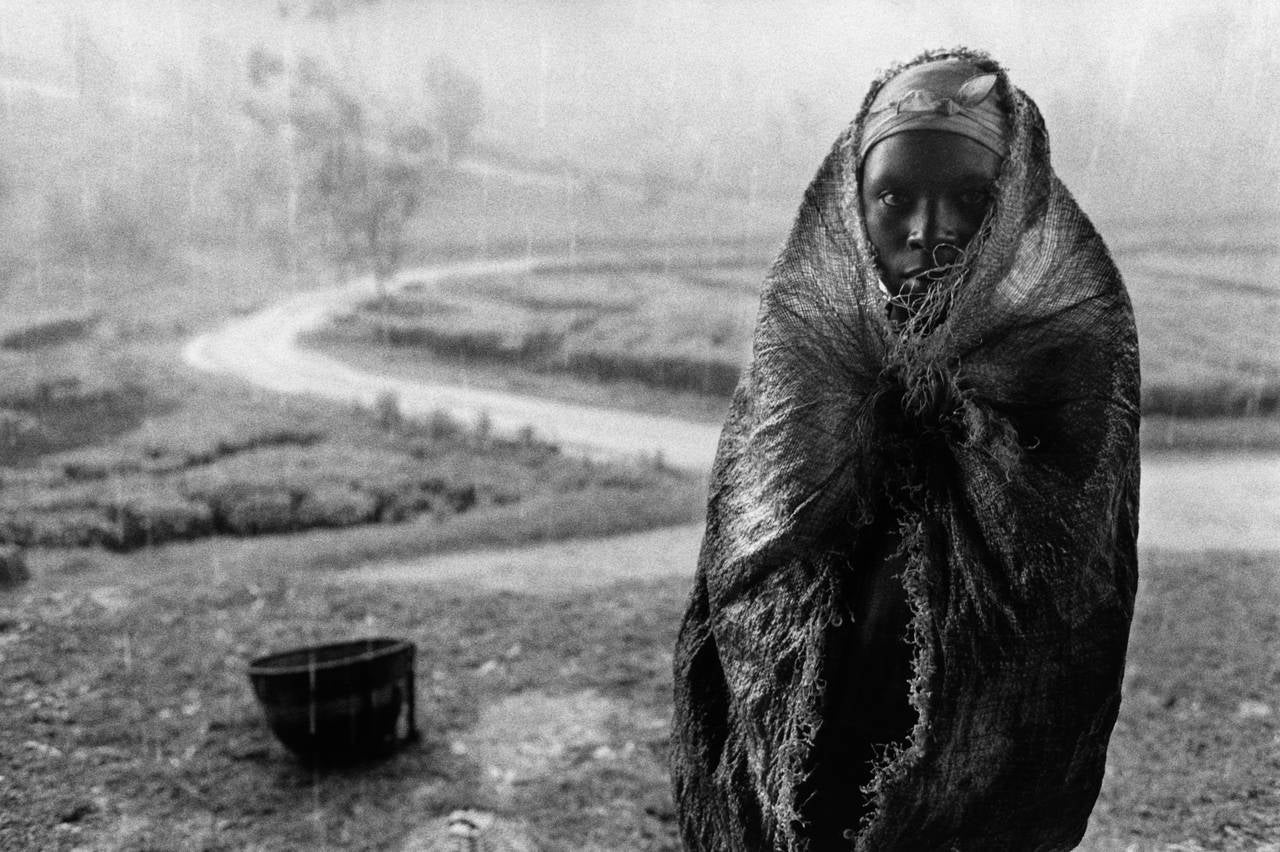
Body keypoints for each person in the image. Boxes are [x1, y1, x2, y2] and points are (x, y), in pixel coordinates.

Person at [670, 49, 1140, 851]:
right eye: (895, 198)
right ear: (853, 209)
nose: (930, 233)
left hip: (976, 777)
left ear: (1018, 202)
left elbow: (1072, 616)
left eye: (968, 198)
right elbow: (742, 581)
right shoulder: (805, 352)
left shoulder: (1066, 354)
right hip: (812, 751)